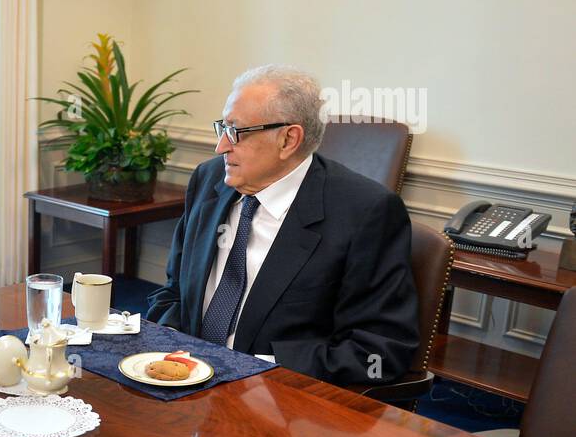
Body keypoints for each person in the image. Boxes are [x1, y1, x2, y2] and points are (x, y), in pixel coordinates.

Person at [145, 65, 419, 386]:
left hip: (280, 401)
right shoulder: (208, 180)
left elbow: (378, 350)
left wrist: (254, 369)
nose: (220, 146)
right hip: (185, 381)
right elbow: (174, 290)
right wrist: (174, 346)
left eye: (236, 132)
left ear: (289, 139)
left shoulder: (365, 212)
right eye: (222, 127)